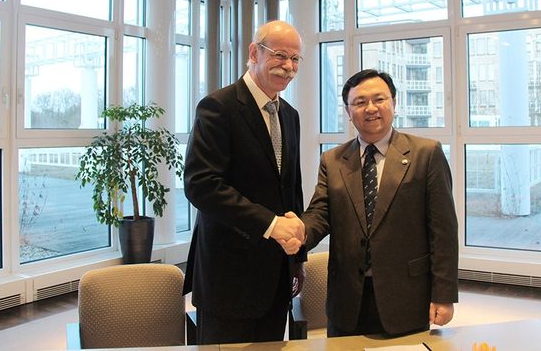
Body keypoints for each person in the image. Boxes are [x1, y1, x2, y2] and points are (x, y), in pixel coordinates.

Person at [301, 69, 459, 337]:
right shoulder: (333, 160)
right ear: (348, 111)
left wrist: (444, 295)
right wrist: (298, 232)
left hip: (406, 296)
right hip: (347, 299)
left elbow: (443, 231)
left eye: (379, 99)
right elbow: (320, 213)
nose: (371, 108)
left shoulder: (426, 153)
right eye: (360, 102)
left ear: (394, 103)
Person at [182, 20, 306, 345]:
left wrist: (298, 259)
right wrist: (270, 224)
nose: (289, 66)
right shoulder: (218, 107)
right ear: (254, 53)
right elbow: (201, 183)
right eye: (280, 55)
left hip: (277, 275)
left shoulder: (289, 115)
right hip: (228, 278)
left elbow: (290, 188)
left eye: (295, 59)